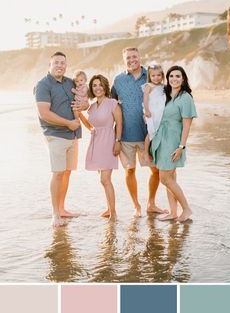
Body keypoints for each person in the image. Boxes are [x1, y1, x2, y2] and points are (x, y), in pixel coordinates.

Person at [111, 47, 168, 217]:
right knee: (129, 171)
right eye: (128, 57)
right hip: (126, 134)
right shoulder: (118, 79)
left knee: (156, 170)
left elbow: (165, 96)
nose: (131, 60)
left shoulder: (150, 75)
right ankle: (136, 206)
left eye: (134, 56)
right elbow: (111, 103)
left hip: (148, 134)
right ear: (124, 60)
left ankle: (151, 203)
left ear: (140, 57)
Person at [34, 51, 83, 227]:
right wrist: (68, 123)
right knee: (58, 172)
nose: (60, 65)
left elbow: (82, 102)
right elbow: (44, 113)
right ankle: (55, 214)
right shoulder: (43, 85)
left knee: (67, 171)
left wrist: (83, 105)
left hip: (72, 135)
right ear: (50, 64)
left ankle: (62, 209)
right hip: (55, 134)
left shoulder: (70, 82)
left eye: (63, 63)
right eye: (56, 62)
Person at [151, 65, 197, 222]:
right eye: (171, 76)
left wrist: (181, 147)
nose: (174, 79)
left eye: (178, 76)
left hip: (173, 142)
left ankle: (186, 208)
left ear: (183, 79)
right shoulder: (166, 94)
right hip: (161, 140)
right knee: (171, 178)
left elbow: (187, 125)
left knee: (165, 178)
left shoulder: (185, 97)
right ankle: (173, 212)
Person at [81, 74, 122, 222]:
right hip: (96, 142)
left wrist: (118, 141)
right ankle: (109, 208)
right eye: (94, 85)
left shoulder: (112, 103)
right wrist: (79, 114)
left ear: (105, 86)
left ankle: (113, 213)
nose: (97, 88)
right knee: (103, 179)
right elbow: (90, 125)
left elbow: (119, 123)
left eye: (100, 85)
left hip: (109, 142)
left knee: (105, 179)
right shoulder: (91, 107)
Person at [142, 63, 166, 163]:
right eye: (153, 75)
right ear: (149, 76)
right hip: (151, 112)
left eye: (158, 75)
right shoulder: (149, 86)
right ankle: (146, 152)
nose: (156, 78)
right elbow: (145, 99)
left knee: (159, 131)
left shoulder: (163, 86)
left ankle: (157, 152)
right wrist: (146, 110)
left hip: (160, 112)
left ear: (162, 76)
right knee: (151, 131)